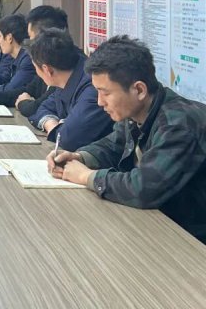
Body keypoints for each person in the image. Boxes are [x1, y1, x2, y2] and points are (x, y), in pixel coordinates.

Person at [48, 36, 206, 243]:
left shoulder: (179, 123)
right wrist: (79, 157)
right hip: (160, 224)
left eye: (105, 93)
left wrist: (86, 176)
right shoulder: (137, 112)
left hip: (190, 239)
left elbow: (145, 188)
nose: (99, 102)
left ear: (139, 90)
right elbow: (113, 144)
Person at [0, 5, 68, 116]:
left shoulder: (54, 66)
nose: (29, 44)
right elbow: (28, 90)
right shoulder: (45, 62)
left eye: (31, 39)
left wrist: (23, 103)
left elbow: (39, 107)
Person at [27, 29, 112, 151]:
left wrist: (59, 128)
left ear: (47, 70)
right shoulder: (65, 80)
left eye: (35, 67)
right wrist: (52, 124)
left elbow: (68, 139)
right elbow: (42, 108)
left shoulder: (93, 86)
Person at [0, 14, 35, 95]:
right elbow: (4, 77)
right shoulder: (15, 56)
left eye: (0, 37)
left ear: (9, 38)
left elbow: (12, 88)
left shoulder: (27, 59)